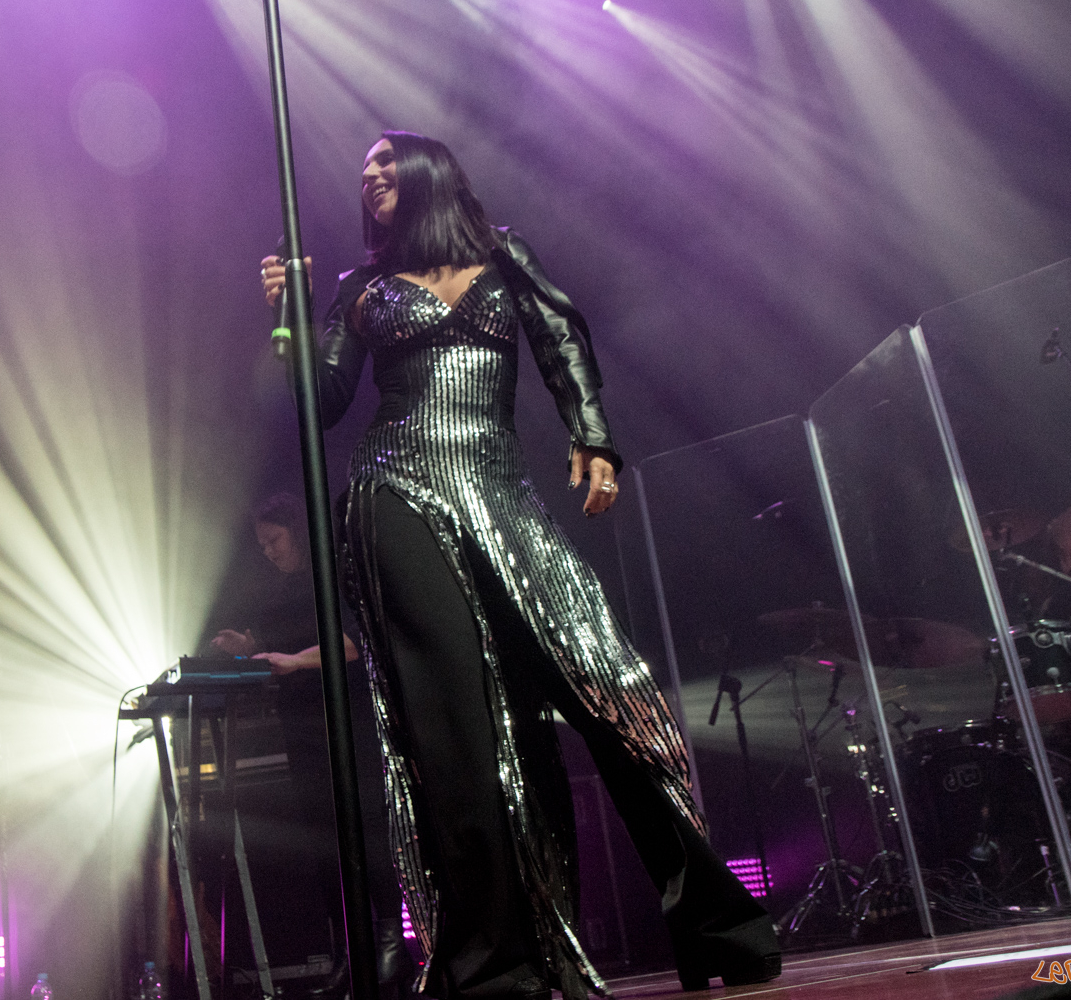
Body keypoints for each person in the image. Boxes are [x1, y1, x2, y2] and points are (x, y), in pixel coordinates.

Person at [257, 132, 779, 1000]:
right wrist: (292, 324)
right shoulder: (359, 288)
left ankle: (714, 922)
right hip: (398, 495)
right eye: (362, 172)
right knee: (459, 735)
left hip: (501, 493)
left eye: (386, 162)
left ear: (429, 171)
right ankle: (497, 964)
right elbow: (323, 404)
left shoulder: (503, 253)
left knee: (612, 693)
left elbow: (561, 336)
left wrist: (593, 434)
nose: (370, 176)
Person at [210, 493, 411, 998]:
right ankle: (347, 950)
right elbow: (277, 647)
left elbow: (356, 643)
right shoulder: (279, 592)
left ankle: (393, 942)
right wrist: (247, 648)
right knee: (325, 840)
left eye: (274, 540)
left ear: (297, 531)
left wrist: (297, 661)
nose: (268, 551)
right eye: (261, 545)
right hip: (300, 727)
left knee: (367, 831)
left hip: (348, 720)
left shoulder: (334, 576)